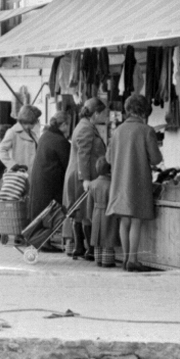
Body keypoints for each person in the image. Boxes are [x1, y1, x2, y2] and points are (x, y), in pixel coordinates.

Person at [105, 95, 163, 273]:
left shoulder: (118, 131)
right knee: (136, 220)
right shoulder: (146, 130)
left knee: (124, 220)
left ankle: (125, 259)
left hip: (119, 180)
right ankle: (133, 259)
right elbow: (155, 159)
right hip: (138, 179)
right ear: (144, 110)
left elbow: (108, 158)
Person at [63, 97, 107, 260]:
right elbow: (83, 155)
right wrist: (86, 179)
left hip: (79, 174)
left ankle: (80, 247)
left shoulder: (84, 125)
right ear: (96, 113)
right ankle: (88, 248)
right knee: (84, 211)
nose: (105, 117)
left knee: (79, 211)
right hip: (81, 175)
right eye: (103, 113)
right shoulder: (86, 128)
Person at [28, 111, 70, 223]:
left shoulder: (45, 136)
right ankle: (44, 238)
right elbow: (67, 165)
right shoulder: (61, 141)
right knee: (51, 212)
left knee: (40, 214)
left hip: (39, 180)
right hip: (51, 183)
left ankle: (40, 238)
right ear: (64, 125)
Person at [88, 158, 119, 268]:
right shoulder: (112, 184)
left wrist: (90, 216)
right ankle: (108, 261)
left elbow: (89, 204)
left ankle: (98, 259)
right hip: (109, 213)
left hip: (96, 212)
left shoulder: (92, 184)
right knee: (108, 238)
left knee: (97, 239)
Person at [0, 105, 42, 175]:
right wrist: (12, 165)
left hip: (33, 174)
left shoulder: (32, 133)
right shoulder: (13, 132)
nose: (38, 121)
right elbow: (1, 150)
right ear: (30, 119)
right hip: (19, 174)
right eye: (37, 119)